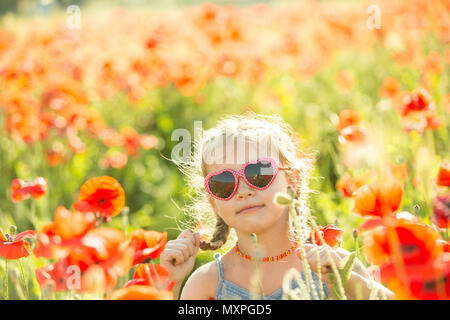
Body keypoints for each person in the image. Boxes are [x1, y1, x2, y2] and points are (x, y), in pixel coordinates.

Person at [160, 113, 394, 300]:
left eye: (259, 173)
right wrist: (170, 284)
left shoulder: (335, 265)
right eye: (224, 183)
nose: (244, 191)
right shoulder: (207, 284)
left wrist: (345, 280)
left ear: (292, 179)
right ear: (214, 201)